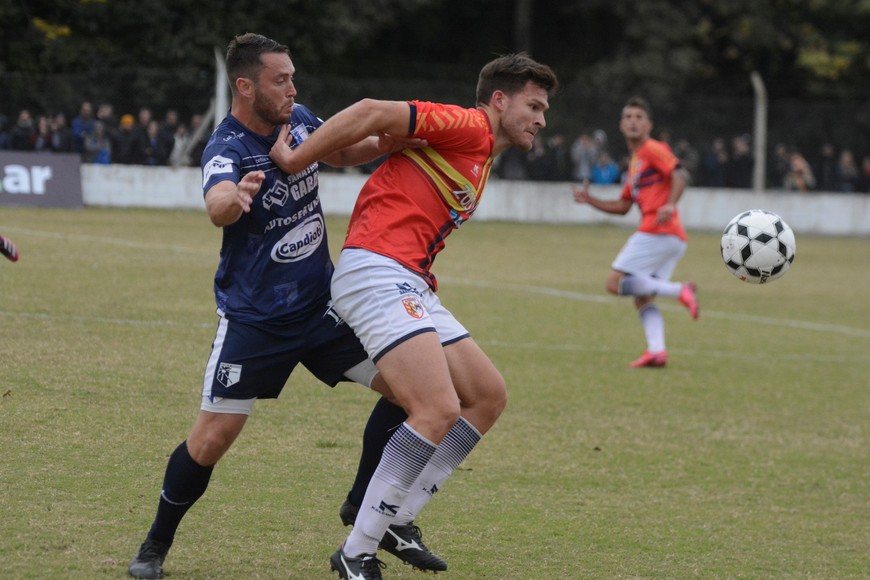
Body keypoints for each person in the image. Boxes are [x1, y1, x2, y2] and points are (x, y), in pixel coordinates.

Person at [127, 32, 427, 580]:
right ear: (245, 86)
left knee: (418, 397)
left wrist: (393, 143)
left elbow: (340, 152)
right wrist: (233, 198)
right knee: (210, 441)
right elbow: (217, 202)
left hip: (323, 312)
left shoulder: (299, 118)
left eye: (292, 77)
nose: (293, 87)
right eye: (280, 79)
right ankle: (153, 547)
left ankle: (361, 505)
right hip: (256, 321)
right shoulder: (226, 148)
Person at [270, 52, 558, 579]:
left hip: (410, 282)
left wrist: (326, 153)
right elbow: (371, 110)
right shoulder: (469, 125)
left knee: (487, 396)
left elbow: (369, 143)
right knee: (435, 408)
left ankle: (399, 520)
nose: (542, 119)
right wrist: (295, 160)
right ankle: (356, 551)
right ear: (499, 100)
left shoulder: (480, 150)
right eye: (534, 105)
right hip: (377, 271)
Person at [572, 96, 698, 368]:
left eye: (639, 117)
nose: (633, 121)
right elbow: (623, 206)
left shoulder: (653, 148)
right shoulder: (635, 163)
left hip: (657, 230)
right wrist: (590, 199)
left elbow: (680, 174)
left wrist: (670, 204)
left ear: (649, 125)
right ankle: (657, 351)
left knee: (614, 283)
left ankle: (680, 290)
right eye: (628, 117)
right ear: (621, 124)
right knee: (642, 297)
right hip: (671, 237)